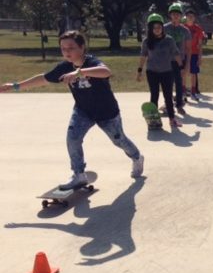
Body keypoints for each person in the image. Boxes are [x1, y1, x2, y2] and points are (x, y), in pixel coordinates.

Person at [0, 30, 144, 189]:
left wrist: (79, 72)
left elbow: (106, 72)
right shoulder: (64, 67)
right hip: (83, 111)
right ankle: (79, 174)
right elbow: (43, 78)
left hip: (106, 112)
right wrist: (16, 86)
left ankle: (137, 157)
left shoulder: (92, 62)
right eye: (63, 48)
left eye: (71, 48)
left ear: (82, 48)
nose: (67, 52)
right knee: (73, 138)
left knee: (119, 140)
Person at [137, 13, 183, 128]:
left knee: (168, 96)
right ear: (150, 29)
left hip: (167, 72)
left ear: (162, 27)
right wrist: (139, 71)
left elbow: (176, 54)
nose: (157, 30)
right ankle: (153, 119)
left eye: (159, 27)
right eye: (154, 28)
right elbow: (143, 56)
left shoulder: (169, 40)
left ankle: (172, 120)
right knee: (154, 95)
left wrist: (181, 67)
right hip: (152, 72)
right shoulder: (147, 41)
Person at [164, 2, 191, 114]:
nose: (175, 16)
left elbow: (189, 49)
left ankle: (179, 104)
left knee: (179, 83)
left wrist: (187, 65)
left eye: (178, 14)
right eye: (173, 14)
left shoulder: (185, 30)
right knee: (167, 84)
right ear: (170, 15)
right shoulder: (164, 28)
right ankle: (168, 104)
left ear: (181, 16)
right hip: (166, 61)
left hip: (180, 61)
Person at [183, 8, 205, 100]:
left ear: (194, 17)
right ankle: (183, 92)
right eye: (188, 16)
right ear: (186, 17)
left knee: (193, 73)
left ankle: (193, 92)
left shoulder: (198, 29)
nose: (190, 18)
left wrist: (200, 57)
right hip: (183, 54)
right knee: (183, 73)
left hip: (194, 54)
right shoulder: (182, 27)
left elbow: (200, 44)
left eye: (192, 16)